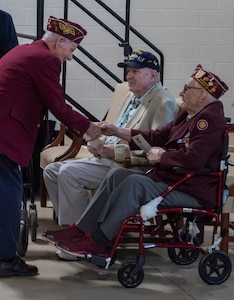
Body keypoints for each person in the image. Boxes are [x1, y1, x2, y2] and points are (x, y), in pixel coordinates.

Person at [43, 64, 229, 258]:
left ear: (202, 94)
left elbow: (195, 160)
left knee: (134, 183)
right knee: (117, 175)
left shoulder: (209, 120)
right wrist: (117, 131)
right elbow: (157, 136)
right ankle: (82, 229)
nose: (182, 93)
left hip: (192, 189)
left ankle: (99, 241)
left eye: (187, 89)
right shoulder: (188, 114)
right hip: (173, 180)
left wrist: (162, 156)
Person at [0, 16, 101, 278]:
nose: (71, 56)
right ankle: (5, 259)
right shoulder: (45, 59)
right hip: (5, 133)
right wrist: (89, 127)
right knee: (8, 196)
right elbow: (58, 106)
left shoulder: (26, 50)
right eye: (72, 49)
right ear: (59, 42)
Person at [43, 49, 177, 227]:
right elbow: (115, 131)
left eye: (135, 72)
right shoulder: (130, 95)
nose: (128, 76)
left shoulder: (163, 102)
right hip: (107, 159)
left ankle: (82, 232)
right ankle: (77, 225)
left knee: (68, 174)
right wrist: (97, 143)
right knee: (51, 171)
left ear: (153, 76)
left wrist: (116, 152)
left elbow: (156, 152)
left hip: (129, 166)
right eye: (128, 71)